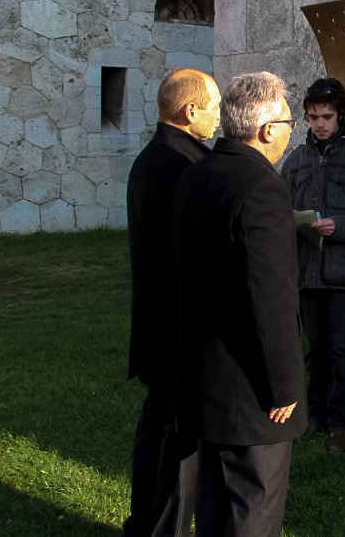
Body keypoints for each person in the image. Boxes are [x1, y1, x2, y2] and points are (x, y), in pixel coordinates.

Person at [172, 71, 306, 537]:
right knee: (253, 506)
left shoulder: (194, 174)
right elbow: (269, 296)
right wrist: (284, 385)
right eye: (289, 121)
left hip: (203, 372)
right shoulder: (262, 186)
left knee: (214, 503)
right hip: (250, 389)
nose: (292, 130)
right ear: (267, 130)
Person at [125, 67, 220, 537]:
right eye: (214, 107)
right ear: (190, 110)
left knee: (156, 422)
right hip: (180, 325)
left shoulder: (151, 158)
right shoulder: (187, 167)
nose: (219, 117)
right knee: (180, 440)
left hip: (154, 319)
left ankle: (142, 522)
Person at [280, 77, 345, 453]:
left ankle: (341, 424)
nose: (319, 124)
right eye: (312, 118)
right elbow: (279, 209)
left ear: (340, 113)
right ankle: (315, 415)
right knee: (315, 349)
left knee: (341, 351)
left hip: (344, 274)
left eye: (326, 116)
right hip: (307, 272)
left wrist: (337, 226)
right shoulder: (296, 161)